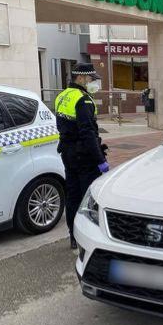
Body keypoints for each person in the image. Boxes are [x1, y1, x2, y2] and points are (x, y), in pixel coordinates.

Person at [54, 63, 109, 249]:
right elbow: (88, 134)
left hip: (67, 153)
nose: (94, 82)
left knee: (73, 195)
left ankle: (73, 236)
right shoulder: (83, 100)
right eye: (91, 79)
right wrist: (100, 160)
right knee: (88, 199)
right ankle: (88, 238)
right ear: (80, 78)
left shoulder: (62, 96)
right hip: (84, 156)